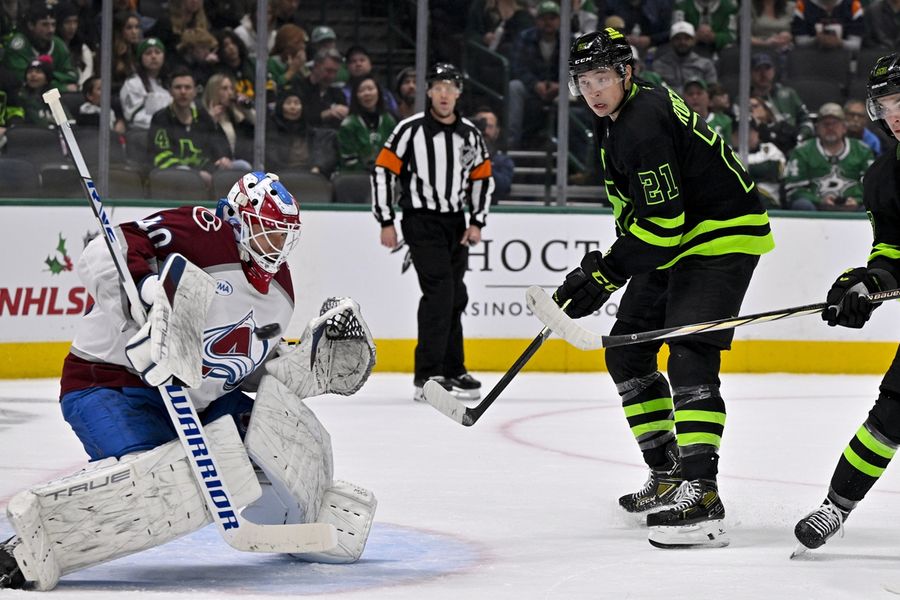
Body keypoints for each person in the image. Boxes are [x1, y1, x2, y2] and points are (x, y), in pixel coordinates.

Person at [0, 171, 378, 589]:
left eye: (284, 236)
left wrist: (303, 368)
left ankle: (310, 508)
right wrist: (145, 290)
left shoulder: (280, 292)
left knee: (276, 428)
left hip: (195, 401)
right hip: (110, 383)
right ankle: (27, 548)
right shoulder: (203, 231)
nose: (276, 248)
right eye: (268, 232)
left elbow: (238, 367)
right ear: (237, 218)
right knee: (157, 484)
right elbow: (106, 250)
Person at [556, 28, 774, 548]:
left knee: (691, 350)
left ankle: (702, 492)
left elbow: (663, 224)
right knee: (628, 353)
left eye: (602, 77)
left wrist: (606, 274)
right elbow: (644, 216)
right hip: (679, 238)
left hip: (721, 235)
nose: (592, 91)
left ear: (626, 73)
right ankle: (669, 473)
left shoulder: (641, 123)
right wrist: (603, 268)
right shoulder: (618, 120)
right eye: (584, 81)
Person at [792, 53, 900, 555]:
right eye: (887, 104)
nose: (896, 114)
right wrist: (866, 285)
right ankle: (835, 507)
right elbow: (892, 252)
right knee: (891, 415)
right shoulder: (882, 175)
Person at [371, 63, 494, 403]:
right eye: (438, 86)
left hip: (455, 221)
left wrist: (476, 221)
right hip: (421, 219)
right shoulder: (409, 130)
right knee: (440, 291)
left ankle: (453, 369)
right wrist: (386, 219)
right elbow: (383, 170)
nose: (444, 93)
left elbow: (482, 176)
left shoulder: (470, 133)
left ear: (458, 93)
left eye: (450, 87)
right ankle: (427, 375)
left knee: (455, 295)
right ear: (428, 91)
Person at [148, 67, 232, 187]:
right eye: (178, 87)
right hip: (173, 176)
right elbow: (160, 157)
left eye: (187, 87)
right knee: (184, 174)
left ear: (194, 92)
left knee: (241, 166)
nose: (183, 92)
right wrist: (195, 174)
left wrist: (223, 159)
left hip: (205, 172)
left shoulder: (204, 117)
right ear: (170, 91)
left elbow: (218, 145)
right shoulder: (161, 118)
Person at [784, 102, 873, 211]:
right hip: (816, 210)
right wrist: (818, 200)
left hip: (854, 208)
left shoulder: (862, 150)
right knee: (802, 205)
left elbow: (871, 185)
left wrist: (858, 200)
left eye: (835, 123)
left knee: (869, 206)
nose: (830, 127)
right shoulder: (802, 151)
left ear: (844, 127)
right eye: (825, 124)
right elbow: (794, 190)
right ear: (817, 128)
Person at [2, 3, 78, 92]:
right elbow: (25, 80)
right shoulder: (18, 45)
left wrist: (45, 77)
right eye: (45, 25)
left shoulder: (58, 44)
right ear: (31, 25)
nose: (51, 30)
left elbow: (72, 75)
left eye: (53, 24)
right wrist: (60, 86)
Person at [337, 75, 397, 173]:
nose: (367, 93)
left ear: (378, 92)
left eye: (370, 89)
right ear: (355, 96)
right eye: (361, 90)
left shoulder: (389, 121)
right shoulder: (348, 124)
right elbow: (349, 161)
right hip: (356, 178)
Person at [202, 72, 254, 170]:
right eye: (225, 89)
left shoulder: (233, 115)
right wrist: (211, 121)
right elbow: (201, 142)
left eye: (231, 89)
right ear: (214, 91)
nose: (230, 93)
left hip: (235, 161)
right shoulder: (202, 115)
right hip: (215, 164)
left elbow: (254, 132)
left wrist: (246, 110)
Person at [649, 21, 717, 94]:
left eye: (687, 39)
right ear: (671, 41)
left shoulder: (705, 64)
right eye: (678, 39)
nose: (682, 42)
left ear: (693, 41)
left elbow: (712, 90)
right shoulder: (659, 65)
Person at [120, 37, 172, 131]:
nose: (153, 56)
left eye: (157, 52)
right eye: (148, 53)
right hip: (143, 134)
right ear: (140, 58)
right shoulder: (133, 83)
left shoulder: (170, 82)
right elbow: (133, 116)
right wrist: (162, 124)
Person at [471, 105, 514, 201]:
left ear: (497, 131)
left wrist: (483, 162)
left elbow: (502, 187)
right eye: (481, 125)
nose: (485, 130)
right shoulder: (458, 154)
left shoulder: (503, 161)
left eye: (490, 126)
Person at [791, 0, 864, 52]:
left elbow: (857, 45)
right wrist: (816, 40)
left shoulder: (853, 5)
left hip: (844, 62)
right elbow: (799, 42)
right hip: (809, 61)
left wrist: (839, 43)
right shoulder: (802, 5)